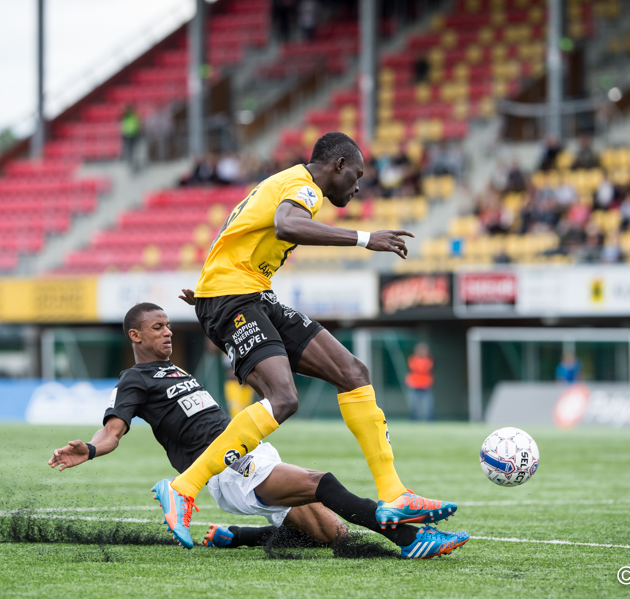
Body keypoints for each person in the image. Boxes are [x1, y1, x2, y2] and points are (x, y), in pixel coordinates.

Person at [152, 132, 457, 548]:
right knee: (283, 399)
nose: (357, 185)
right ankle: (183, 488)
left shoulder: (285, 182)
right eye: (357, 175)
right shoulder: (303, 188)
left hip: (251, 292)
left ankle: (394, 493)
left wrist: (206, 289)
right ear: (337, 165)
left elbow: (238, 231)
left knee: (352, 371)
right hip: (236, 295)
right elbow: (286, 225)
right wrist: (366, 238)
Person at [47, 303, 468, 559]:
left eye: (168, 326)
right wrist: (90, 447)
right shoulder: (134, 380)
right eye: (157, 328)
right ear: (135, 335)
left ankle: (239, 537)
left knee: (331, 535)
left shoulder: (174, 368)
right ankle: (411, 539)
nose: (167, 332)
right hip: (229, 469)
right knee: (320, 482)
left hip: (251, 453)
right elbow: (115, 430)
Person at [405, 343, 435, 421]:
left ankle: (429, 421)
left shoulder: (429, 359)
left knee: (427, 405)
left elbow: (425, 368)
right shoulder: (412, 358)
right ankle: (414, 420)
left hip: (425, 385)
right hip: (414, 385)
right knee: (414, 405)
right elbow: (415, 368)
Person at [120, 105, 141, 169]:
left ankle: (135, 162)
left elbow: (138, 125)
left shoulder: (134, 116)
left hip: (134, 135)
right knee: (128, 150)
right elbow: (122, 126)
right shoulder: (125, 117)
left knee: (135, 150)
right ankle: (129, 162)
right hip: (127, 135)